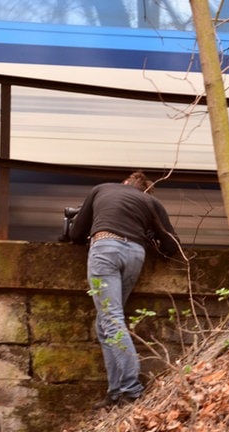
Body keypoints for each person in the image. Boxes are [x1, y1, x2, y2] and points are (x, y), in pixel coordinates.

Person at [68, 171, 179, 409]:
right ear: (144, 189)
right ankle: (116, 391)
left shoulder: (101, 188)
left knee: (111, 320)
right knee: (106, 322)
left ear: (125, 183)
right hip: (135, 255)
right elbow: (171, 244)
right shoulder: (150, 201)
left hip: (105, 248)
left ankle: (131, 390)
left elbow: (77, 233)